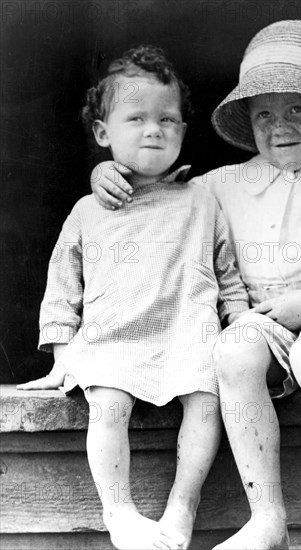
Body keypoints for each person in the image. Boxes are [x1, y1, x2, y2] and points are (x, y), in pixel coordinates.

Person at [89, 21, 301, 550]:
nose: (278, 125)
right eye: (264, 113)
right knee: (233, 347)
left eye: (297, 109)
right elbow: (157, 196)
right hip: (268, 330)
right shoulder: (223, 185)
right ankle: (267, 517)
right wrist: (108, 174)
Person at [17, 45, 249, 550]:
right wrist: (62, 352)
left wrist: (243, 323)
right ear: (103, 134)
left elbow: (227, 273)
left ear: (183, 132)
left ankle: (181, 508)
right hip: (113, 336)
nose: (154, 129)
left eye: (168, 119)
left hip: (188, 332)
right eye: (136, 117)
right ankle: (119, 512)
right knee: (108, 404)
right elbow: (63, 283)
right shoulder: (87, 210)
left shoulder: (201, 199)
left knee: (207, 402)